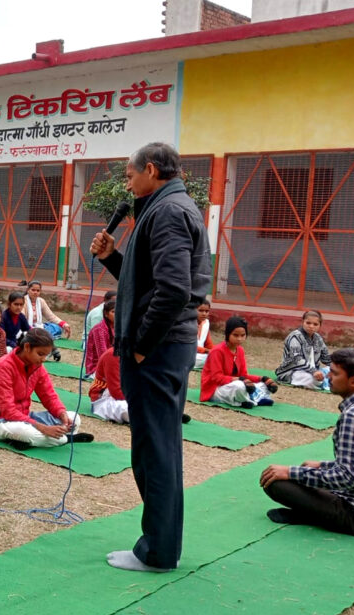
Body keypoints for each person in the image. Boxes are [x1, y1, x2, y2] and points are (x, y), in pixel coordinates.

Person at [89, 142, 211, 573]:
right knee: (159, 448)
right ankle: (163, 546)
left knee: (153, 451)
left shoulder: (168, 212)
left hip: (157, 350)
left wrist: (141, 344)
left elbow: (174, 291)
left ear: (152, 170)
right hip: (164, 347)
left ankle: (157, 552)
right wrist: (112, 258)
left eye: (129, 175)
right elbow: (149, 283)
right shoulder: (168, 207)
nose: (127, 184)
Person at [260, 348, 354, 537]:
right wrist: (323, 466)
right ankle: (312, 512)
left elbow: (347, 478)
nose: (328, 377)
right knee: (306, 473)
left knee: (276, 483)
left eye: (334, 373)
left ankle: (313, 515)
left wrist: (290, 472)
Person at [0, 328, 87, 448]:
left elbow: (49, 396)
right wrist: (42, 428)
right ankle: (64, 439)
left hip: (24, 417)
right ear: (27, 347)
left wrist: (62, 415)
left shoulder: (37, 366)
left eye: (46, 355)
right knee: (24, 431)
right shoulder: (3, 367)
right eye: (40, 354)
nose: (43, 359)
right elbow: (8, 411)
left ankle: (29, 440)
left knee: (74, 418)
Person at [200, 316, 278, 408]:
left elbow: (244, 375)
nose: (239, 339)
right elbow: (217, 378)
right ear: (228, 334)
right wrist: (240, 380)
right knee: (240, 386)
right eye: (235, 335)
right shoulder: (217, 351)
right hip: (215, 389)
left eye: (242, 335)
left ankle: (250, 398)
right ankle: (250, 400)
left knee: (263, 385)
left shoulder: (240, 350)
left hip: (232, 384)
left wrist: (263, 379)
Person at [275, 311, 332, 391]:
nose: (311, 326)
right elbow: (297, 359)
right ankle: (326, 382)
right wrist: (314, 371)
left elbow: (326, 358)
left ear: (320, 326)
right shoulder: (295, 336)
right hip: (292, 372)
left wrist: (339, 368)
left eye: (315, 324)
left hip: (314, 371)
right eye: (308, 323)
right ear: (303, 322)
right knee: (311, 379)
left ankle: (325, 381)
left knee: (334, 372)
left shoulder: (318, 338)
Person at [89, 346, 128, 424]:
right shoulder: (113, 354)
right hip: (105, 399)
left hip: (127, 396)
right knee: (130, 409)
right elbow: (116, 392)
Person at [84, 299, 116, 377]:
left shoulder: (117, 327)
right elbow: (103, 355)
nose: (117, 315)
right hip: (97, 368)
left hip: (113, 364)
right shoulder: (99, 330)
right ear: (106, 314)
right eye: (113, 312)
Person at [194, 300, 214, 370]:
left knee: (218, 356)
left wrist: (215, 351)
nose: (204, 314)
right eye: (200, 311)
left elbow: (208, 343)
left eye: (207, 311)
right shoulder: (189, 324)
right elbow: (191, 346)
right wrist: (206, 350)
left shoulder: (206, 323)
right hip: (190, 353)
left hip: (201, 355)